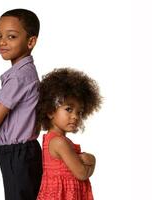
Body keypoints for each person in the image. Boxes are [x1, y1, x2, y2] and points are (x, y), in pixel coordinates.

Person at [0, 8, 42, 200]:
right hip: (26, 151)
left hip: (18, 154)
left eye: (11, 36)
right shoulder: (27, 72)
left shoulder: (18, 77)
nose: (2, 41)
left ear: (31, 41)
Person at [36, 68, 102, 200]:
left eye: (79, 112)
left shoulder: (55, 140)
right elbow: (82, 173)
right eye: (69, 109)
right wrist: (93, 162)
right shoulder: (59, 142)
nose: (75, 116)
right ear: (50, 111)